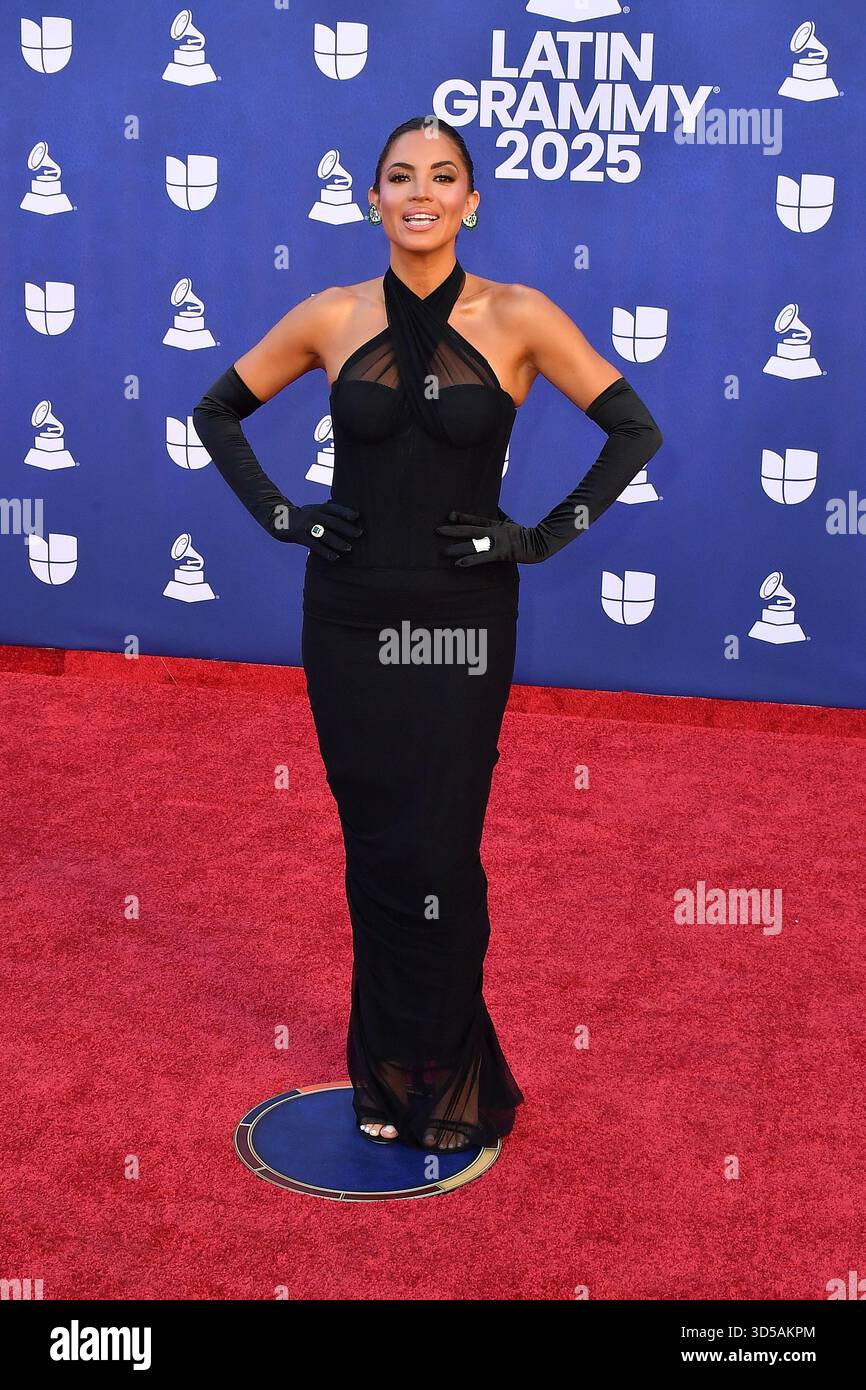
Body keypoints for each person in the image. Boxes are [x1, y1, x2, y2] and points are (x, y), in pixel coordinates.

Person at [192, 116, 662, 1153]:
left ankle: (445, 1075)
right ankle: (382, 1067)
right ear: (371, 199)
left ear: (470, 201)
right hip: (349, 612)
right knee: (374, 851)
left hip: (459, 622)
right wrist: (287, 515)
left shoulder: (518, 315)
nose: (419, 193)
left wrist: (536, 538)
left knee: (440, 849)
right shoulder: (328, 313)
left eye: (440, 177)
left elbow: (635, 429)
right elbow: (216, 411)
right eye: (398, 177)